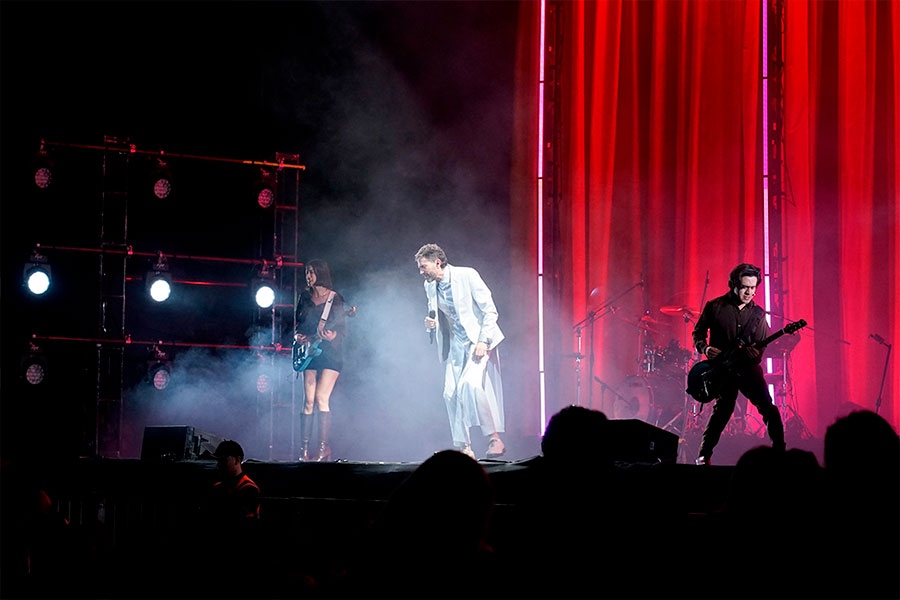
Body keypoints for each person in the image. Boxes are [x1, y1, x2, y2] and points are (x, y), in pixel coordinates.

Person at [415, 243, 506, 459]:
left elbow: (490, 311)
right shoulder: (430, 286)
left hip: (478, 341)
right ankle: (464, 447)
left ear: (437, 262)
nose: (421, 272)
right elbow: (442, 316)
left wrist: (484, 340)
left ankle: (494, 439)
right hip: (456, 344)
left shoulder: (467, 275)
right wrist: (432, 324)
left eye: (423, 266)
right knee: (450, 393)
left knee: (470, 385)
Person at [691, 263, 785, 465]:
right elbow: (698, 333)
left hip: (748, 369)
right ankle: (703, 455)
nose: (749, 292)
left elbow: (760, 350)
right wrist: (705, 348)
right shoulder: (714, 306)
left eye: (753, 288)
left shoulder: (759, 315)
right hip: (722, 370)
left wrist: (755, 354)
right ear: (732, 285)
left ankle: (780, 453)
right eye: (744, 287)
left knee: (768, 408)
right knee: (722, 411)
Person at [294, 259, 349, 462]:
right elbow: (298, 323)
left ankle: (323, 449)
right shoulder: (304, 297)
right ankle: (304, 450)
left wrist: (333, 335)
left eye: (310, 272)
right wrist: (298, 336)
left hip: (331, 355)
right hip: (309, 352)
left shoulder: (335, 299)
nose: (307, 276)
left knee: (321, 398)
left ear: (320, 273)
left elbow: (341, 329)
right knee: (308, 401)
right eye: (306, 272)